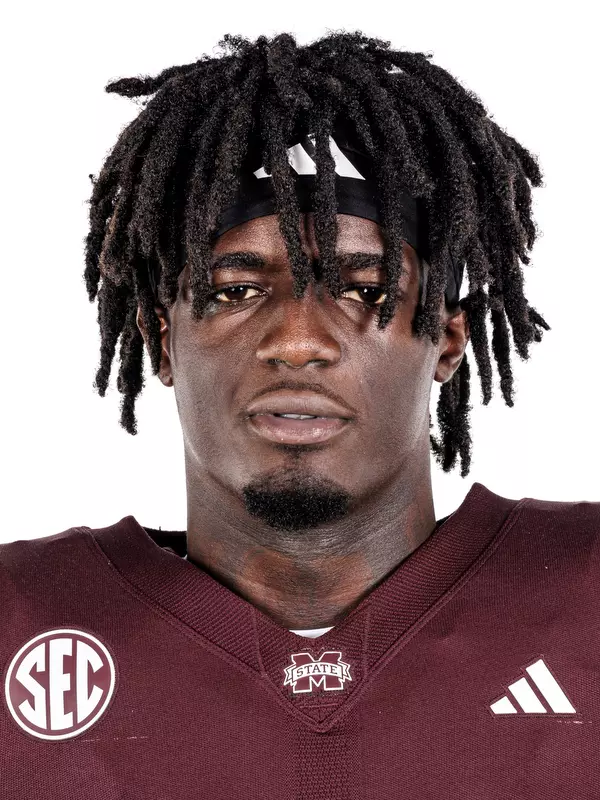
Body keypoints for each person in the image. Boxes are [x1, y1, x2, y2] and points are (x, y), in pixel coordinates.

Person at [1, 31, 597, 800]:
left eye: (360, 288)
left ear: (448, 337)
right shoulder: (21, 620)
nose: (298, 341)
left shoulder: (585, 591)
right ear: (161, 339)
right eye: (235, 290)